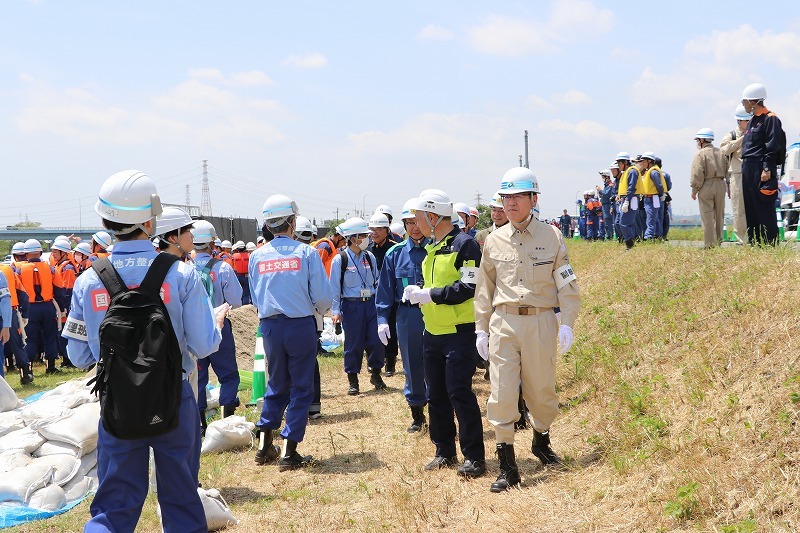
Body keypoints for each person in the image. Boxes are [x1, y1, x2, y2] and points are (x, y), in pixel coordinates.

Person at [63, 169, 223, 532]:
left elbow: (78, 356)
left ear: (105, 219)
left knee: (112, 509)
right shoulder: (180, 274)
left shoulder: (89, 279)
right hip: (174, 399)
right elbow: (203, 344)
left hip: (118, 402)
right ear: (151, 219)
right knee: (182, 499)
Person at [474, 167, 580, 492]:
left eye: (518, 196)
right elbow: (484, 289)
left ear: (534, 199)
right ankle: (507, 465)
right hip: (504, 322)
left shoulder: (553, 237)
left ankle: (541, 440)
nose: (510, 203)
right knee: (502, 393)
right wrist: (481, 329)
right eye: (506, 197)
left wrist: (568, 323)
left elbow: (567, 283)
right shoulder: (492, 241)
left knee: (542, 393)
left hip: (541, 322)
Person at [405, 188, 486, 478]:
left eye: (418, 218)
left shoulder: (466, 245)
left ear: (432, 216)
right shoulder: (432, 248)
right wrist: (417, 292)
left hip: (459, 333)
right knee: (435, 393)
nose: (415, 224)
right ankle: (444, 451)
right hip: (433, 332)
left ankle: (474, 456)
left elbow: (468, 287)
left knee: (459, 393)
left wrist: (430, 294)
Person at [249, 194, 332, 470]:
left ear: (269, 225)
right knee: (301, 387)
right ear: (292, 222)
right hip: (299, 326)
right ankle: (289, 451)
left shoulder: (256, 256)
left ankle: (263, 447)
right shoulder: (306, 253)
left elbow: (255, 295)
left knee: (276, 384)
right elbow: (322, 297)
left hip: (270, 326)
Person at [376, 198, 429, 432]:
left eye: (418, 221)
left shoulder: (437, 249)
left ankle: (440, 409)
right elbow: (385, 290)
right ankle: (417, 414)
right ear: (404, 224)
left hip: (435, 313)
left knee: (436, 364)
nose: (415, 227)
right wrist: (381, 320)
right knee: (411, 365)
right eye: (409, 222)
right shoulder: (394, 254)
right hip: (407, 317)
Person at [189, 219, 243, 430]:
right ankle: (227, 418)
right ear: (213, 243)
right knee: (228, 374)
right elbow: (236, 301)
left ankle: (201, 424)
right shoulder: (223, 268)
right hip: (220, 326)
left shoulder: (186, 269)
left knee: (199, 376)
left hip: (194, 329)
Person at [330, 217, 386, 395]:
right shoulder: (341, 259)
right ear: (352, 238)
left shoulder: (369, 257)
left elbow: (377, 281)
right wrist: (336, 311)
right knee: (353, 344)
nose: (367, 238)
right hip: (351, 306)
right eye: (363, 235)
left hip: (371, 304)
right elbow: (334, 288)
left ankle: (376, 374)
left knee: (376, 341)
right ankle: (353, 380)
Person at [740, 83, 783, 245]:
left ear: (753, 101)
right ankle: (755, 242)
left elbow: (772, 146)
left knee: (763, 206)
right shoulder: (752, 121)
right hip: (748, 167)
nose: (743, 104)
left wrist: (766, 168)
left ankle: (770, 243)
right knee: (750, 206)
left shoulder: (770, 119)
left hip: (761, 167)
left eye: (745, 101)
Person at [18, 239, 63, 373]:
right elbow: (59, 290)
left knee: (30, 338)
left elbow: (18, 291)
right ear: (41, 252)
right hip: (48, 306)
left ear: (26, 254)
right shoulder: (51, 269)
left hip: (30, 308)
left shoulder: (19, 270)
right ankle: (51, 367)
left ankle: (28, 368)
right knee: (50, 335)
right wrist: (61, 308)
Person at [367, 212, 400, 376]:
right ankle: (373, 360)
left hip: (390, 294)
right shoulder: (367, 249)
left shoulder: (394, 248)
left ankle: (391, 361)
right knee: (373, 329)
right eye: (372, 229)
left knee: (391, 327)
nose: (375, 232)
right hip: (372, 295)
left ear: (387, 230)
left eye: (378, 229)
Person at [720, 104, 753, 244]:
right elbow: (723, 150)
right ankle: (742, 239)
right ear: (740, 121)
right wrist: (741, 140)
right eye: (747, 120)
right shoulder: (731, 135)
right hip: (737, 174)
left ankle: (754, 236)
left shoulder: (755, 132)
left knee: (753, 206)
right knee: (739, 208)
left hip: (752, 173)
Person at [690, 128, 728, 248]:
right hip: (721, 184)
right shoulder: (721, 152)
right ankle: (718, 242)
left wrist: (694, 189)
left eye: (698, 140)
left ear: (702, 140)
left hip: (706, 185)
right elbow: (727, 170)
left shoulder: (700, 154)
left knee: (707, 216)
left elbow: (697, 173)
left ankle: (709, 245)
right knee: (719, 215)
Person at [0, 262, 32, 383]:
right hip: (10, 312)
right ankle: (25, 372)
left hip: (8, 313)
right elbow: (23, 293)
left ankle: (10, 366)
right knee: (16, 343)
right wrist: (25, 313)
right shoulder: (7, 270)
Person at [51, 238, 77, 368]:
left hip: (65, 306)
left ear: (64, 253)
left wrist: (63, 308)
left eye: (56, 252)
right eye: (53, 252)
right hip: (58, 304)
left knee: (64, 334)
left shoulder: (68, 268)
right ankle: (66, 359)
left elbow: (68, 290)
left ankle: (69, 360)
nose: (53, 254)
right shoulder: (58, 266)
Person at [638, 152, 667, 241]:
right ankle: (656, 236)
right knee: (653, 219)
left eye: (644, 161)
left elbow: (659, 185)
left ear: (650, 161)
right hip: (649, 198)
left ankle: (649, 237)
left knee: (651, 219)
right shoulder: (649, 171)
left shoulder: (653, 172)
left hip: (652, 198)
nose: (642, 163)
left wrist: (661, 195)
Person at [615, 152, 640, 250]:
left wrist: (627, 201)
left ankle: (630, 245)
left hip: (631, 199)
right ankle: (631, 243)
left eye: (619, 163)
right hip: (626, 199)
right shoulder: (626, 172)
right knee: (624, 223)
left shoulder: (632, 171)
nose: (619, 166)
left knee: (624, 223)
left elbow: (631, 187)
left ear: (625, 162)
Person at [231, 241, 251, 305]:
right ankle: (245, 304)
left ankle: (239, 304)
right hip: (246, 276)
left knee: (238, 291)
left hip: (236, 275)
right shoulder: (248, 256)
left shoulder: (233, 256)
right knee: (246, 291)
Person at [597, 171, 615, 240]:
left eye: (603, 177)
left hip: (607, 205)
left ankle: (609, 236)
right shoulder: (607, 186)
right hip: (604, 205)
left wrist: (600, 190)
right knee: (606, 222)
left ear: (606, 177)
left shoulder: (610, 185)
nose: (602, 178)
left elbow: (606, 194)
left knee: (608, 221)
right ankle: (608, 235)